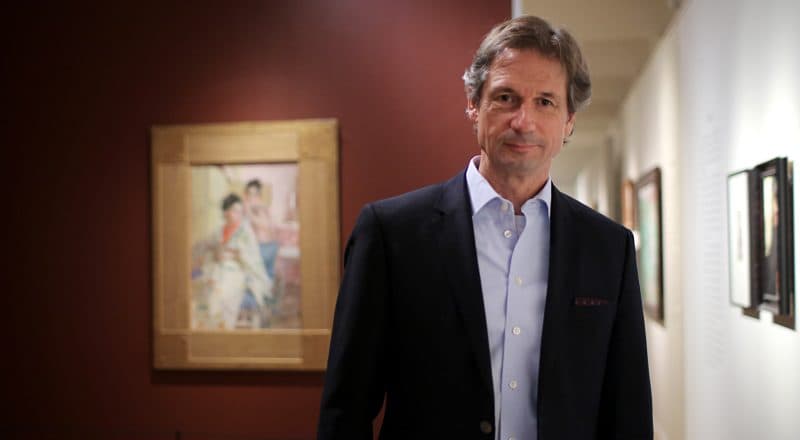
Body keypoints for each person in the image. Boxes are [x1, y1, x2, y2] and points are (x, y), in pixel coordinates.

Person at [318, 15, 653, 440]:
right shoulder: (391, 235)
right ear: (474, 106)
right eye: (506, 97)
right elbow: (346, 409)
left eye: (545, 102)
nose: (523, 121)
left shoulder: (608, 248)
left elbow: (627, 413)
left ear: (569, 120)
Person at [192, 193, 272, 329]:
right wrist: (214, 251)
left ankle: (223, 328)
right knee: (204, 290)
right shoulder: (218, 230)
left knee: (221, 292)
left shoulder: (245, 232)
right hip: (216, 269)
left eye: (240, 211)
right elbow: (203, 246)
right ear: (226, 212)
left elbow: (252, 256)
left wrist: (235, 254)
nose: (238, 214)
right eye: (234, 210)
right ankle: (207, 329)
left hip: (236, 272)